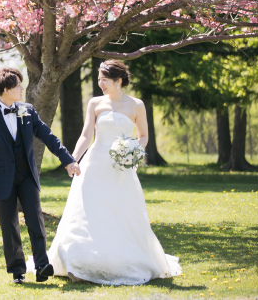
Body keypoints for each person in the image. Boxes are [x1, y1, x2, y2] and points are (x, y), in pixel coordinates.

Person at [46, 60, 182, 285]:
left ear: (118, 81)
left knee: (119, 214)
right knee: (85, 214)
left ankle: (118, 260)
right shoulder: (95, 103)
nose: (100, 84)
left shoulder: (136, 105)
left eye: (104, 80)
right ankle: (77, 262)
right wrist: (72, 159)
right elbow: (86, 134)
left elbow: (144, 135)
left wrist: (134, 151)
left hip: (121, 169)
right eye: (98, 79)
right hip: (94, 166)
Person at [0, 67, 81, 284]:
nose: (22, 89)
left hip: (27, 177)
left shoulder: (27, 110)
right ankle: (17, 271)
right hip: (1, 181)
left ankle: (42, 266)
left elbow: (47, 136)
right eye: (17, 86)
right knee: (9, 225)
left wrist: (68, 159)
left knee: (35, 220)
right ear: (6, 90)